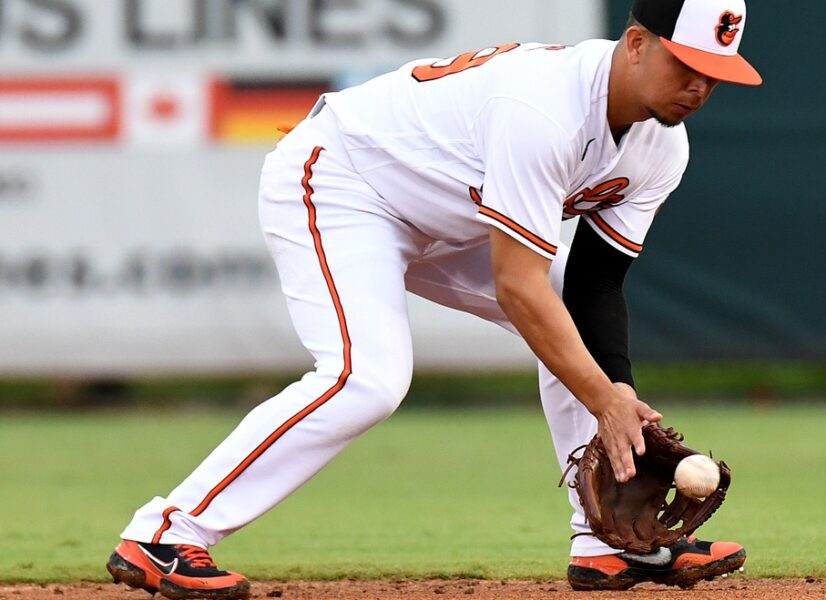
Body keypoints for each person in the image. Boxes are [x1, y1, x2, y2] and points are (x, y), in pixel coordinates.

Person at [106, 0, 762, 597]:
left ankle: (607, 546)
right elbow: (516, 284)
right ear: (638, 44)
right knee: (368, 379)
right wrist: (605, 400)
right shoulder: (547, 108)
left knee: (571, 317)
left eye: (715, 74)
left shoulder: (663, 149)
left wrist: (619, 402)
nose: (700, 87)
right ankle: (166, 532)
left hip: (447, 220)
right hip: (343, 181)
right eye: (688, 65)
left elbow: (593, 285)